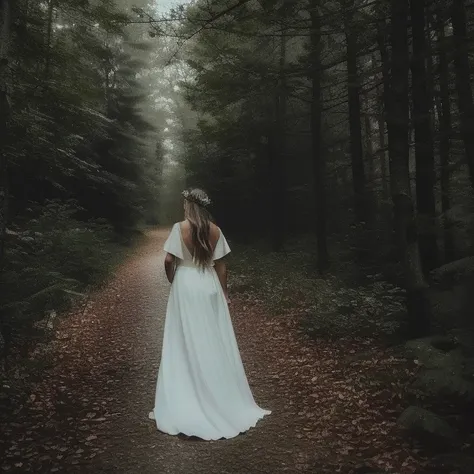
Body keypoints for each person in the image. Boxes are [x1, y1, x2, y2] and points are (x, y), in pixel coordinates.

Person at [149, 188, 271, 440]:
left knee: (183, 339)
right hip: (209, 284)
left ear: (188, 206)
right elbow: (222, 266)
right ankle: (221, 395)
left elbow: (169, 261)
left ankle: (187, 395)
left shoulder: (178, 228)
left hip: (186, 284)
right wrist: (223, 293)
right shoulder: (215, 230)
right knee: (212, 338)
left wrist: (174, 280)